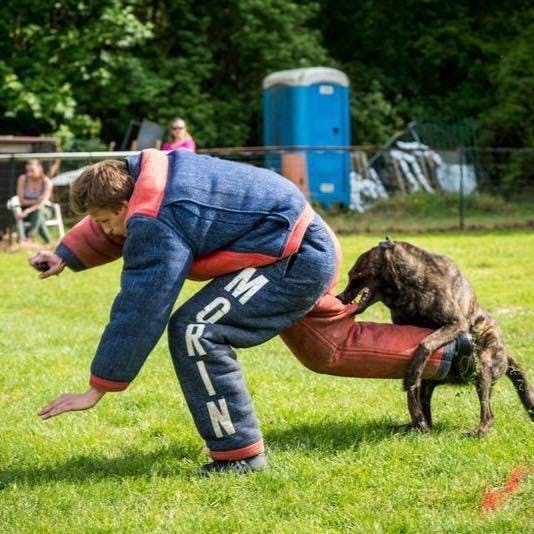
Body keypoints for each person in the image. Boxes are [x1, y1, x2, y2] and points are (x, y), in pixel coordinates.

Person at [30, 149, 472, 475]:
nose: (108, 232)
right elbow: (118, 217)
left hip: (293, 256)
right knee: (327, 349)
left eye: (108, 222)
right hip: (298, 239)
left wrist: (98, 388)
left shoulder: (157, 217)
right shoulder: (138, 176)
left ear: (125, 205)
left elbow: (141, 306)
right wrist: (66, 254)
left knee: (196, 330)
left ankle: (239, 455)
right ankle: (455, 355)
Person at [16, 159, 53, 243]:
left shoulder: (47, 182)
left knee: (39, 211)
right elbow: (21, 200)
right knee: (39, 217)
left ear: (40, 168)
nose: (29, 173)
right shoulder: (22, 179)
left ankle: (29, 236)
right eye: (27, 171)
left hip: (45, 210)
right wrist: (37, 201)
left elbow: (42, 203)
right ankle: (48, 241)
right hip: (26, 211)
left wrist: (28, 210)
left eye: (32, 171)